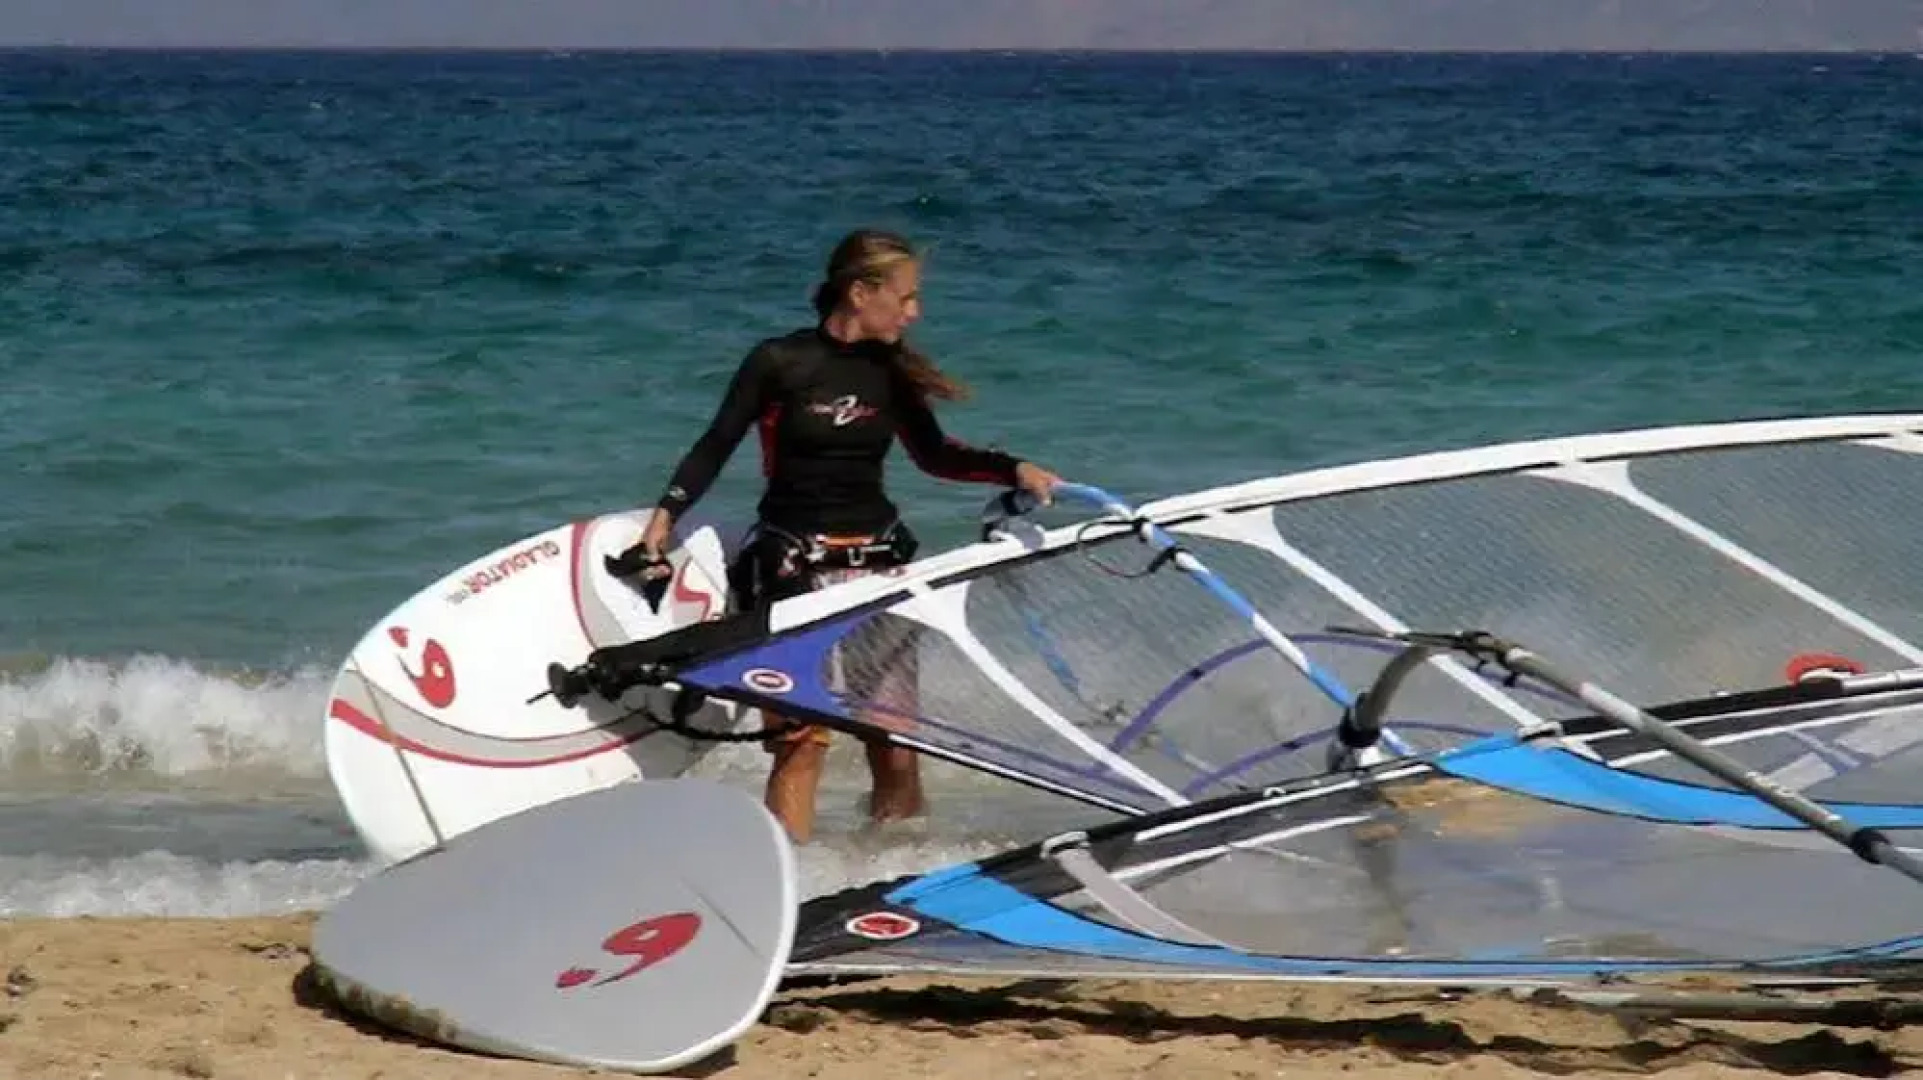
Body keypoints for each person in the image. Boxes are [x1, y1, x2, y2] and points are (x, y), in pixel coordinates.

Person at [626, 228, 1061, 844]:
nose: (915, 312)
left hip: (878, 567)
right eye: (906, 297)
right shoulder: (780, 362)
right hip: (788, 568)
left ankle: (894, 871)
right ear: (861, 293)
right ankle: (793, 885)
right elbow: (716, 443)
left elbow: (935, 455)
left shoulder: (891, 376)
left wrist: (1010, 466)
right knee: (799, 742)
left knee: (894, 738)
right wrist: (664, 519)